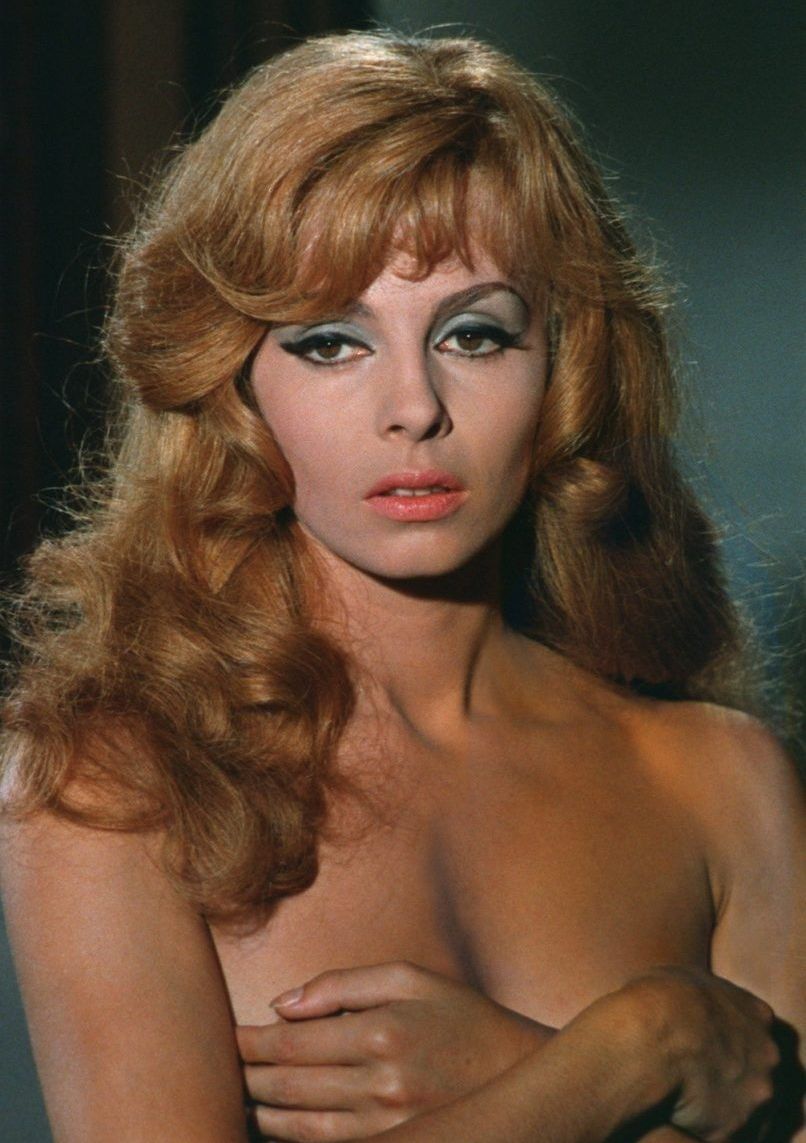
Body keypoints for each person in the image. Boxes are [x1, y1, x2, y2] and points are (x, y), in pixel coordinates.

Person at [1, 29, 802, 1143]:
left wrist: (510, 1066)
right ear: (234, 382)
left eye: (474, 335)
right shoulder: (113, 782)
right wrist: (634, 1051)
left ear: (562, 366)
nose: (414, 408)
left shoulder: (722, 784)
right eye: (331, 343)